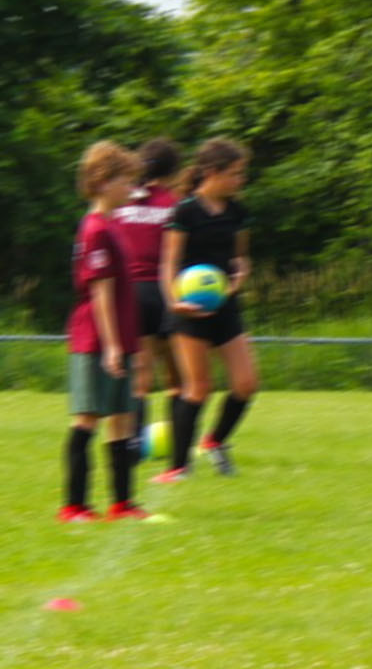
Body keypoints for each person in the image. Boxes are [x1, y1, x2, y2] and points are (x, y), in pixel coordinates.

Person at [155, 137, 258, 483]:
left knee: (246, 384)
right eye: (235, 173)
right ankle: (177, 468)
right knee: (198, 388)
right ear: (212, 173)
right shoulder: (184, 211)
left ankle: (214, 441)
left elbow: (240, 256)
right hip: (188, 311)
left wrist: (241, 271)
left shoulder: (238, 212)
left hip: (225, 306)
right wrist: (174, 302)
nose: (241, 179)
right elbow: (167, 264)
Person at [60, 142, 147, 521]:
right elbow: (101, 294)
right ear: (102, 181)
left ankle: (122, 503)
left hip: (119, 339)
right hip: (96, 340)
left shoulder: (112, 226)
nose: (131, 188)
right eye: (125, 180)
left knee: (123, 417)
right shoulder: (95, 229)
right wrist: (112, 346)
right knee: (88, 418)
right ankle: (74, 505)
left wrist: (131, 344)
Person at [111, 137, 181, 449]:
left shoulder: (123, 204)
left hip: (131, 295)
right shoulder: (174, 205)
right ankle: (179, 453)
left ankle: (134, 445)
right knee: (176, 378)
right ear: (173, 170)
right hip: (166, 292)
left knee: (140, 377)